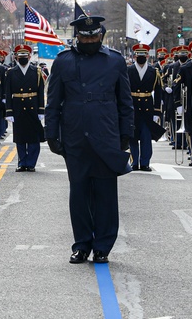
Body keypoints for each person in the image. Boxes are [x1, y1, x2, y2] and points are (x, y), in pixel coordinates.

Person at [45, 14, 132, 264]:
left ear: (101, 36)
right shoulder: (63, 61)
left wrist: (126, 132)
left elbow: (125, 102)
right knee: (79, 193)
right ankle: (82, 244)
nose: (90, 40)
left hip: (106, 134)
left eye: (94, 36)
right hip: (75, 135)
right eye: (86, 37)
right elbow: (53, 102)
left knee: (106, 194)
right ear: (78, 38)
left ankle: (103, 245)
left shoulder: (114, 61)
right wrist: (51, 133)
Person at [4, 44, 46, 171]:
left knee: (33, 137)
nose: (23, 58)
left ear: (29, 56)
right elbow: (8, 92)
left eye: (25, 56)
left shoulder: (37, 72)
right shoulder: (11, 72)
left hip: (32, 106)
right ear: (16, 57)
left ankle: (31, 163)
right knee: (20, 137)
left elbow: (40, 92)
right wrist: (9, 111)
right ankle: (22, 162)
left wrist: (41, 110)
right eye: (20, 56)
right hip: (17, 106)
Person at [127, 43, 165, 171]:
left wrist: (157, 112)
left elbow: (158, 92)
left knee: (146, 136)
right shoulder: (128, 70)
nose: (141, 57)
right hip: (132, 106)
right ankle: (134, 162)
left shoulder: (154, 71)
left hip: (147, 107)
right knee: (132, 136)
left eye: (143, 54)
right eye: (138, 54)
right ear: (135, 56)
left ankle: (145, 162)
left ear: (147, 56)